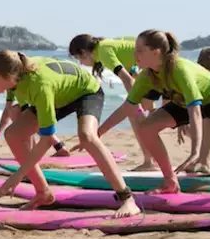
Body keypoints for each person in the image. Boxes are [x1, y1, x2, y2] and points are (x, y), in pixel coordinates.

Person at [0, 51, 142, 218]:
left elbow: (45, 141)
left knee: (87, 136)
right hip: (59, 94)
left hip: (86, 91)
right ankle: (43, 193)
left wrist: (18, 176)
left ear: (9, 75)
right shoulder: (15, 81)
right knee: (13, 134)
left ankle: (127, 199)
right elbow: (27, 124)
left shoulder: (39, 85)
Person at [90, 30, 210, 178]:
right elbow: (127, 109)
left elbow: (195, 111)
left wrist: (194, 152)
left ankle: (203, 162)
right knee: (146, 128)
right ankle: (170, 179)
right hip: (184, 103)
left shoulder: (179, 69)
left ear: (156, 52)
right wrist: (97, 133)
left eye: (140, 51)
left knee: (208, 118)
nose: (135, 55)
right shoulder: (146, 76)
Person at [68, 35, 162, 170]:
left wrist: (135, 105)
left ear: (84, 52)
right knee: (139, 116)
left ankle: (150, 162)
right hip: (153, 72)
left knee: (136, 117)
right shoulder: (106, 46)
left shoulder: (103, 52)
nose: (81, 64)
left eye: (79, 59)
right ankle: (150, 160)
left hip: (156, 71)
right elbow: (133, 69)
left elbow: (127, 80)